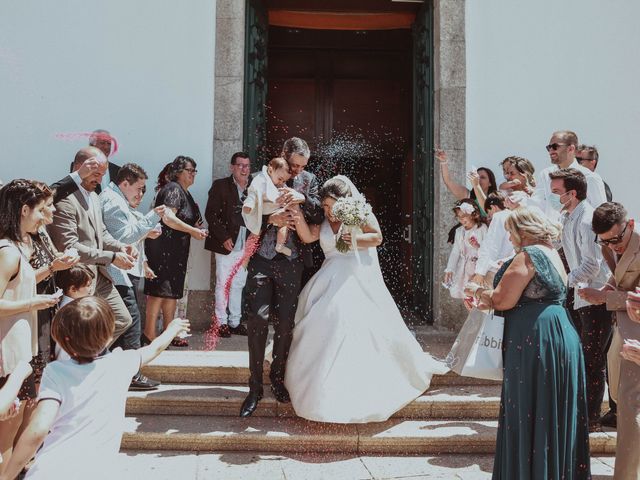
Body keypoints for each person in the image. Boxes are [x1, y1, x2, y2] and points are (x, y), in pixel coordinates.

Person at [284, 176, 446, 423]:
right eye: (325, 207)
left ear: (344, 202)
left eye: (332, 207)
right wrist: (295, 211)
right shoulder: (324, 221)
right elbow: (308, 237)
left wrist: (356, 240)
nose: (328, 212)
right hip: (328, 276)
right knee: (321, 321)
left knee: (340, 316)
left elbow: (377, 237)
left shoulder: (357, 211)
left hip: (354, 274)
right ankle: (319, 383)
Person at [0, 297, 190, 480]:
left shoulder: (56, 371)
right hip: (98, 471)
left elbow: (39, 428)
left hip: (51, 470)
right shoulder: (122, 363)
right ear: (109, 335)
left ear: (63, 340)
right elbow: (154, 348)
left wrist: (7, 475)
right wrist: (171, 329)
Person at [465, 207, 591, 479]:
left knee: (529, 410)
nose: (509, 239)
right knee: (551, 412)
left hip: (535, 340)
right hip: (559, 334)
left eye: (511, 233)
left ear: (523, 232)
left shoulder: (529, 255)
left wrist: (476, 291)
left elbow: (502, 300)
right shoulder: (554, 254)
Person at [240, 137, 323, 418]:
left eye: (302, 166)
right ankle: (254, 388)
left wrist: (302, 199)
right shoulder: (259, 177)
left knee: (286, 324)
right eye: (294, 165)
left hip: (292, 262)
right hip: (262, 260)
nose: (298, 170)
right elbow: (242, 213)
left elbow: (320, 213)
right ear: (283, 156)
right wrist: (268, 221)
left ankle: (277, 378)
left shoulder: (309, 180)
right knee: (257, 320)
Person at [0, 180, 60, 474]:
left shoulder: (18, 247)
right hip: (7, 356)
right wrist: (33, 303)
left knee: (19, 419)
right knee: (5, 439)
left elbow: (18, 286)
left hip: (21, 351)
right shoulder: (7, 252)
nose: (47, 215)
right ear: (24, 209)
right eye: (41, 209)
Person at [47, 147, 136, 346]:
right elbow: (71, 247)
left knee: (122, 319)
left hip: (99, 275)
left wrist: (120, 247)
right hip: (76, 279)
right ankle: (76, 360)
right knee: (74, 328)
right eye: (96, 174)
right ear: (80, 167)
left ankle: (88, 357)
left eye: (102, 175)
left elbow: (101, 234)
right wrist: (112, 258)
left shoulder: (94, 196)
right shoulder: (63, 200)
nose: (99, 180)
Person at [578, 202, 640, 479]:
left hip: (636, 333)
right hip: (622, 329)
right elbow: (620, 280)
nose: (612, 245)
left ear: (631, 225)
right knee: (617, 395)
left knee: (630, 405)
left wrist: (603, 298)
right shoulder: (606, 243)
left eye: (616, 239)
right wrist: (607, 288)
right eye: (604, 241)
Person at [101, 162, 176, 390]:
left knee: (127, 323)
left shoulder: (118, 199)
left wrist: (145, 230)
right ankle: (128, 373)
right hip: (117, 274)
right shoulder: (113, 202)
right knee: (131, 324)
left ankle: (114, 369)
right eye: (139, 188)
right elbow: (125, 237)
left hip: (124, 272)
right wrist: (153, 216)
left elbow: (129, 233)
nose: (141, 193)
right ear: (124, 183)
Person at [549, 168, 612, 430]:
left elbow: (591, 266)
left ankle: (591, 418)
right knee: (581, 356)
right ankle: (580, 412)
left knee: (593, 358)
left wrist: (563, 281)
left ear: (571, 194)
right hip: (579, 296)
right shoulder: (569, 215)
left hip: (596, 298)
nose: (553, 197)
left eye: (556, 193)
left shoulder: (587, 220)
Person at [143, 156, 207, 347]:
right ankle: (149, 334)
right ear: (178, 172)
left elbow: (191, 219)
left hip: (176, 251)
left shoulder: (186, 194)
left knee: (171, 293)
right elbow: (168, 218)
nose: (193, 174)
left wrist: (197, 228)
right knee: (159, 292)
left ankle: (169, 333)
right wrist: (193, 231)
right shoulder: (172, 189)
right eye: (189, 170)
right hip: (163, 249)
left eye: (195, 170)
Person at [27, 182, 79, 388]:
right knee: (34, 378)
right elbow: (23, 279)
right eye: (47, 205)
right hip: (33, 311)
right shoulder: (18, 241)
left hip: (47, 308)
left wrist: (62, 259)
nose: (54, 209)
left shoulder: (42, 232)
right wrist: (52, 266)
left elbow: (51, 259)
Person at [204, 152, 251, 338]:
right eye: (240, 165)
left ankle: (235, 322)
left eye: (247, 165)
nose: (244, 169)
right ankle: (221, 322)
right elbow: (211, 214)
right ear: (232, 167)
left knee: (238, 283)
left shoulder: (254, 186)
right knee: (223, 283)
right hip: (226, 244)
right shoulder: (220, 186)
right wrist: (223, 237)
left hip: (245, 244)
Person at [536, 130, 607, 221]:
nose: (550, 151)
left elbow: (601, 215)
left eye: (554, 147)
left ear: (571, 149)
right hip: (550, 233)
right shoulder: (545, 175)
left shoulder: (590, 178)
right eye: (548, 147)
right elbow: (536, 206)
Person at [243, 157, 306, 257]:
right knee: (254, 235)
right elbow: (252, 194)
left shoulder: (282, 182)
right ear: (270, 169)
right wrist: (249, 205)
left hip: (277, 209)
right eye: (280, 179)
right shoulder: (259, 180)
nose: (281, 183)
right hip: (261, 212)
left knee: (285, 224)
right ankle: (244, 259)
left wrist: (300, 198)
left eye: (284, 181)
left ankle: (280, 245)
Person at [444, 199, 487, 299]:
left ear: (473, 214)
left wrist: (477, 246)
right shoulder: (459, 231)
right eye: (458, 217)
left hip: (478, 268)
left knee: (476, 294)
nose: (461, 220)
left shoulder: (482, 229)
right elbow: (455, 252)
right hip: (464, 268)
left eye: (463, 216)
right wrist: (450, 269)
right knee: (465, 294)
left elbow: (487, 250)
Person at [435, 149, 498, 215]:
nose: (478, 179)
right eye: (477, 176)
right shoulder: (468, 195)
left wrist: (476, 185)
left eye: (482, 177)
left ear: (490, 183)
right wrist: (443, 161)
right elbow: (448, 182)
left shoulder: (495, 200)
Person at [472, 192, 514, 287]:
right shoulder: (514, 215)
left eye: (488, 212)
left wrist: (480, 272)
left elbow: (492, 247)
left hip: (495, 269)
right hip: (510, 267)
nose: (489, 216)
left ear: (493, 207)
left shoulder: (498, 217)